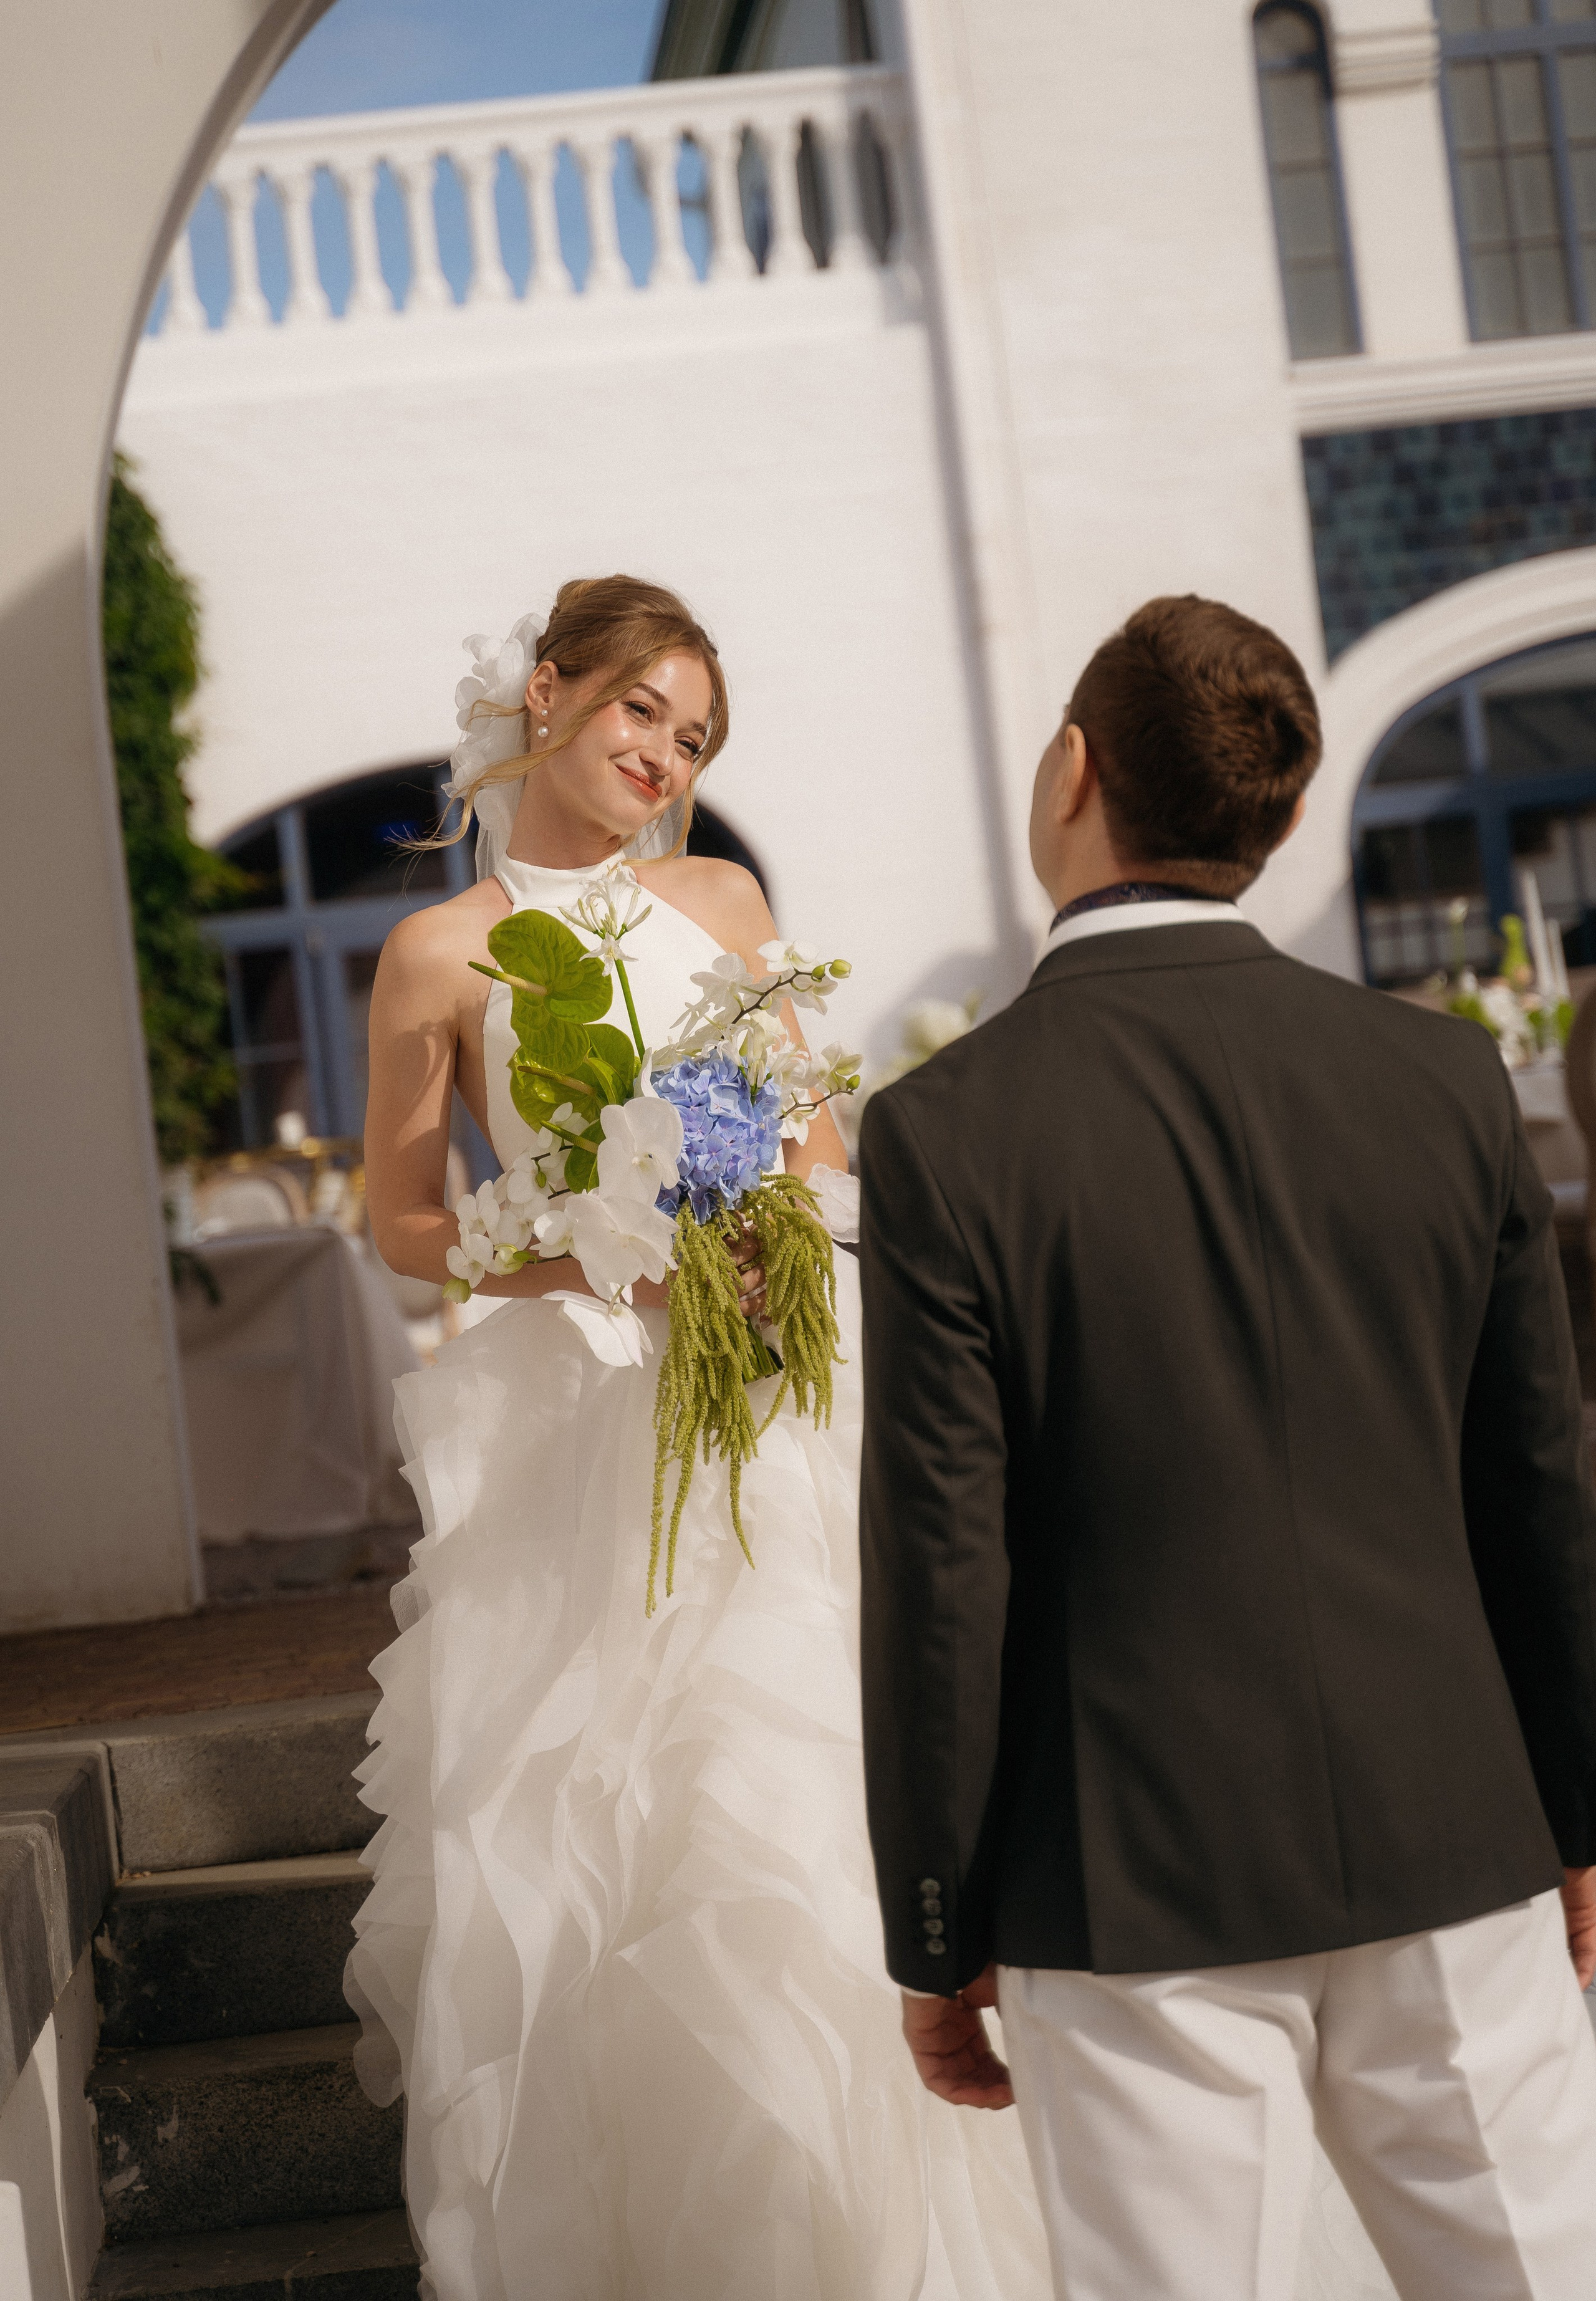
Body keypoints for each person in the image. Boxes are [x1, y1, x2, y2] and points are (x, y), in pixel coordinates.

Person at [858, 593, 1596, 2301]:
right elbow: (1539, 1483)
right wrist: (1575, 1812)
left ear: (1072, 770)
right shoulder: (1447, 1079)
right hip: (1455, 1825)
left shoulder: (947, 1134)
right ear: (1280, 813)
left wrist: (934, 1919)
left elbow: (945, 1568)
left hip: (1127, 1873)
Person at [346, 575, 1052, 2300]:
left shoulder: (725, 900)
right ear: (549, 691)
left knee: (812, 1777)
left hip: (786, 1387)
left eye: (697, 737)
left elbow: (816, 1140)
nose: (666, 756)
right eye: (642, 710)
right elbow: (404, 1220)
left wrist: (766, 1232)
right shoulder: (439, 953)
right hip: (592, 1415)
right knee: (641, 1823)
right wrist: (584, 1239)